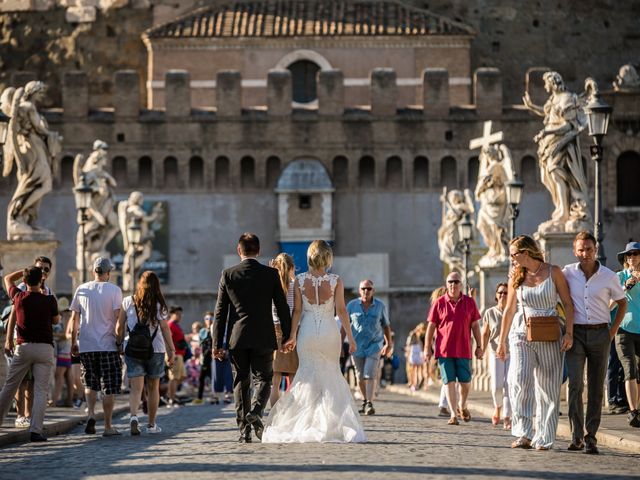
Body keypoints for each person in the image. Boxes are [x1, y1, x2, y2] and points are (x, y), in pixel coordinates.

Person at [262, 240, 365, 443]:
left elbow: (297, 311)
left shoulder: (300, 280)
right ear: (328, 257)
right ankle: (330, 425)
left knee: (306, 378)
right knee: (331, 376)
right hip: (329, 333)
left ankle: (304, 423)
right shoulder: (336, 280)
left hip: (307, 333)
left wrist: (292, 336)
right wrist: (351, 339)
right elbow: (342, 311)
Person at [212, 233, 292, 443]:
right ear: (259, 250)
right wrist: (286, 336)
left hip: (237, 338)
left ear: (239, 250)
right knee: (264, 379)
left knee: (240, 382)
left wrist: (216, 344)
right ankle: (256, 411)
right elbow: (282, 308)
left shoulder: (228, 274)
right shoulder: (271, 274)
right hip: (264, 336)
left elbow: (220, 313)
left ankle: (243, 430)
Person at [497, 235, 574, 450]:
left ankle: (544, 436)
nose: (511, 258)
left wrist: (569, 332)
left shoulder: (553, 272)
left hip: (549, 332)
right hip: (521, 332)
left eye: (514, 254)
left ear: (526, 252)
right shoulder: (516, 276)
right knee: (518, 379)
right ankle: (523, 433)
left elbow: (568, 304)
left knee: (548, 386)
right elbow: (509, 310)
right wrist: (502, 341)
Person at [562, 231, 627, 453]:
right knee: (575, 385)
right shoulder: (567, 273)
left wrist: (612, 330)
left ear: (595, 250)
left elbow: (622, 303)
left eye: (589, 249)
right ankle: (576, 435)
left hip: (601, 333)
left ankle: (591, 436)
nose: (585, 254)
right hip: (576, 334)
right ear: (575, 251)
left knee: (596, 388)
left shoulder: (609, 276)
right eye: (580, 249)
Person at [0, 266, 59, 442]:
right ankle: (36, 430)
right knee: (41, 390)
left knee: (10, 387)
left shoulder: (18, 297)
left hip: (23, 347)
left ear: (24, 282)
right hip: (44, 349)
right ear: (41, 280)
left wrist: (24, 271)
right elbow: (56, 321)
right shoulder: (49, 300)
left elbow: (8, 279)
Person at [116, 271, 175, 435]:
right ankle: (151, 424)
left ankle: (134, 417)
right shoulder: (159, 305)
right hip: (155, 349)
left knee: (135, 388)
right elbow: (165, 329)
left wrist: (119, 343)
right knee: (153, 387)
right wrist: (171, 350)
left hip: (133, 348)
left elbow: (119, 326)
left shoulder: (128, 301)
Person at [70, 257, 123, 437]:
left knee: (90, 383)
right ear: (108, 273)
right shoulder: (114, 290)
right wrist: (120, 340)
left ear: (94, 271)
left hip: (86, 344)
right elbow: (118, 319)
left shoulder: (82, 288)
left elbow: (74, 319)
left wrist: (73, 343)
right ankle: (107, 426)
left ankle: (91, 414)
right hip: (108, 344)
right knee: (109, 386)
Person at [425, 271, 482, 425]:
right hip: (444, 350)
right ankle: (453, 414)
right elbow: (431, 326)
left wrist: (479, 346)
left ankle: (462, 406)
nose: (453, 285)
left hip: (464, 349)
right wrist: (427, 348)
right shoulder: (439, 303)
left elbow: (475, 325)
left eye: (456, 282)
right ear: (446, 284)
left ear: (461, 284)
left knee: (465, 383)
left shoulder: (470, 302)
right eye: (450, 282)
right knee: (449, 382)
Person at [347, 279, 392, 416]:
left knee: (369, 374)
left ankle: (370, 403)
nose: (366, 291)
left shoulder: (380, 306)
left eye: (369, 289)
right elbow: (345, 325)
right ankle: (366, 401)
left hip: (374, 345)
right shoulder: (351, 305)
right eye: (363, 289)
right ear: (359, 290)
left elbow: (386, 326)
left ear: (373, 290)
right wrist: (340, 343)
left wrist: (388, 344)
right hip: (357, 346)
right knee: (360, 377)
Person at [615, 241, 640, 428]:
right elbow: (610, 304)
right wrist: (625, 287)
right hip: (623, 330)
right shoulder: (619, 277)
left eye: (636, 254)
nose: (632, 258)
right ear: (625, 259)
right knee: (630, 369)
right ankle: (633, 411)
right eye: (629, 255)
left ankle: (637, 408)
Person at [481, 282, 512, 429]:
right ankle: (497, 407)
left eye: (506, 292)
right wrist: (481, 349)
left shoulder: (514, 311)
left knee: (509, 384)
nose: (503, 295)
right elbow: (486, 333)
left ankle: (507, 416)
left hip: (512, 352)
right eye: (500, 292)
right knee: (496, 386)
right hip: (495, 352)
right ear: (496, 295)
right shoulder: (490, 312)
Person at [269, 253, 298, 407]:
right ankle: (291, 414)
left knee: (275, 381)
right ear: (292, 267)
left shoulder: (272, 286)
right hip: (293, 330)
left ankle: (274, 416)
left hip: (274, 331)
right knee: (293, 378)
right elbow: (299, 310)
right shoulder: (295, 286)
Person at [51, 297, 73, 407]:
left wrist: (52, 335)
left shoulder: (66, 316)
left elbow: (65, 334)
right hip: (65, 350)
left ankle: (54, 401)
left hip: (64, 350)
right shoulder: (67, 315)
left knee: (59, 376)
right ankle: (69, 401)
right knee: (67, 377)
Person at [167, 306, 187, 407]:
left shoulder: (176, 325)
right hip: (174, 354)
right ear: (172, 314)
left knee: (182, 376)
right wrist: (171, 354)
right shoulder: (170, 325)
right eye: (178, 314)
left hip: (180, 354)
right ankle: (171, 398)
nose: (180, 316)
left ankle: (169, 394)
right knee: (174, 378)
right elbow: (167, 339)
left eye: (180, 314)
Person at [194, 313, 213, 404]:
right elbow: (200, 344)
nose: (209, 320)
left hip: (213, 357)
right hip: (205, 357)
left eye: (211, 318)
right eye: (206, 318)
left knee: (213, 377)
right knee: (202, 378)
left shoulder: (215, 330)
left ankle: (216, 396)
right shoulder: (203, 331)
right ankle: (200, 397)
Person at [406, 323, 425, 391]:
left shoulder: (413, 335)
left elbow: (408, 344)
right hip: (417, 351)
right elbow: (421, 345)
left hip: (414, 352)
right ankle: (416, 384)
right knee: (417, 369)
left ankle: (414, 384)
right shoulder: (420, 335)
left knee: (413, 370)